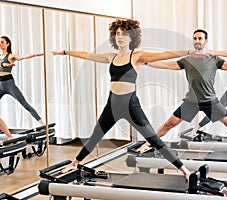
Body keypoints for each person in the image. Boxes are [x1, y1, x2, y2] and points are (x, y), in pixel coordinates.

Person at [53, 19, 197, 180]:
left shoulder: (137, 56)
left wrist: (189, 52)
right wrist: (66, 52)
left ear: (132, 37)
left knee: (153, 139)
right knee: (95, 135)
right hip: (112, 104)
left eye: (124, 34)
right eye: (117, 34)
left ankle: (184, 169)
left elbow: (164, 54)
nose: (120, 37)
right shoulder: (111, 57)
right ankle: (75, 162)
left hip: (131, 105)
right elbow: (87, 55)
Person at [137, 29, 227, 157]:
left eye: (200, 38)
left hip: (210, 101)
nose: (197, 41)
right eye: (195, 38)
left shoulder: (214, 59)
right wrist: (146, 63)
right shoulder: (187, 60)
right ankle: (147, 144)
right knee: (169, 124)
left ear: (206, 41)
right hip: (191, 101)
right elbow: (167, 65)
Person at [0, 36, 45, 125]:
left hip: (9, 84)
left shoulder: (11, 56)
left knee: (24, 104)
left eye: (2, 42)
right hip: (0, 84)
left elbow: (22, 57)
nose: (0, 44)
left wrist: (34, 55)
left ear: (7, 44)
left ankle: (42, 124)